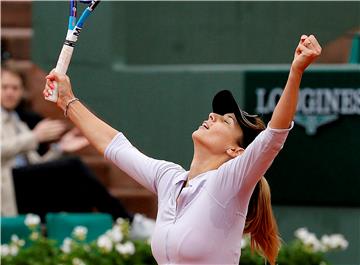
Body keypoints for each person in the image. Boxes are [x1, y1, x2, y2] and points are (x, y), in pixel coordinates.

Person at [44, 35, 321, 264]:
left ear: (236, 152)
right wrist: (67, 100)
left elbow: (274, 135)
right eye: (216, 114)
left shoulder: (229, 182)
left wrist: (296, 71)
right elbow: (115, 146)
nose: (212, 116)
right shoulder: (169, 178)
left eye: (226, 120)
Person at [1, 67, 145, 229]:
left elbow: (34, 164)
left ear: (21, 91)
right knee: (73, 167)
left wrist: (60, 148)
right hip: (6, 191)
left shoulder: (18, 121)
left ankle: (97, 237)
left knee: (77, 190)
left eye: (15, 88)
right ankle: (127, 221)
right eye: (5, 87)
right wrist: (35, 137)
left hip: (20, 188)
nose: (10, 92)